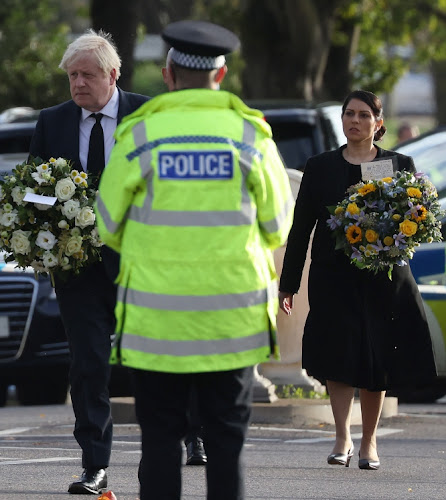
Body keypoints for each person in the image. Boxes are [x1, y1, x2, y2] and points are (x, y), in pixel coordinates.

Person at [95, 20, 293, 500]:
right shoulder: (251, 136)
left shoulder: (141, 134)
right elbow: (275, 226)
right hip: (232, 324)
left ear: (168, 74)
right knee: (227, 444)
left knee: (160, 442)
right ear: (221, 77)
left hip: (157, 325)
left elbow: (106, 224)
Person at [278, 90, 436, 470]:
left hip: (383, 278)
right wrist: (289, 283)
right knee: (338, 355)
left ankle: (369, 442)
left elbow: (417, 218)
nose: (355, 120)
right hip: (334, 277)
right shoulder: (321, 166)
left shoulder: (398, 163)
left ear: (379, 123)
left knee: (375, 357)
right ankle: (341, 437)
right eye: (349, 113)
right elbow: (300, 229)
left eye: (364, 115)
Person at [28, 30, 149, 495]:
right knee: (89, 364)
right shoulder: (53, 122)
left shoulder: (146, 115)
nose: (78, 84)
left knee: (155, 358)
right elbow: (32, 189)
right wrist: (53, 211)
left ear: (112, 75)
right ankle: (94, 464)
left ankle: (186, 432)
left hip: (142, 262)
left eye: (87, 74)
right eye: (72, 75)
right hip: (77, 265)